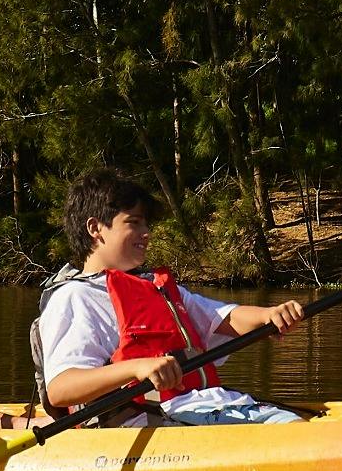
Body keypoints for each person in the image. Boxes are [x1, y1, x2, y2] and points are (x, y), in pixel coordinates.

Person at [32, 170, 307, 425]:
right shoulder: (74, 297)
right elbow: (61, 388)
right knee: (291, 429)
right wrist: (138, 368)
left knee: (293, 423)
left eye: (146, 223)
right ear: (95, 228)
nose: (146, 233)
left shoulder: (156, 288)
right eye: (134, 222)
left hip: (205, 405)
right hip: (149, 422)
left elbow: (225, 318)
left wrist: (269, 315)